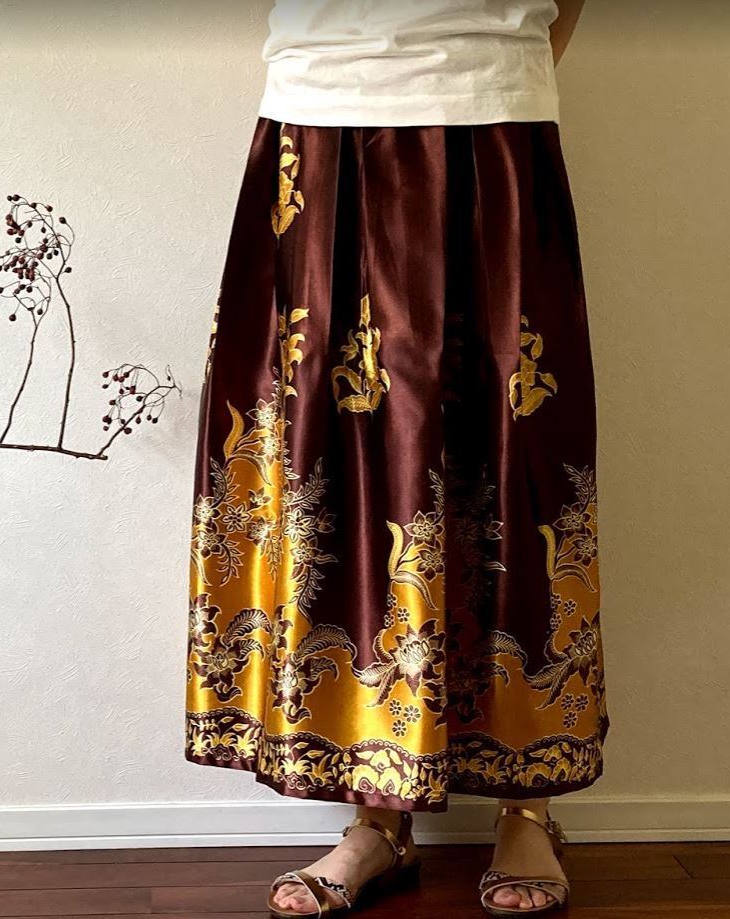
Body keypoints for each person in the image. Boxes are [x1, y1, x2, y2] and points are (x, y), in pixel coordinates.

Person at [185, 1, 603, 915]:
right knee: (338, 461)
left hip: (495, 115)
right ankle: (374, 818)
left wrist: (494, 58)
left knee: (514, 454)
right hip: (317, 119)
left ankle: (527, 806)